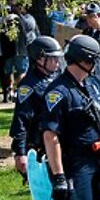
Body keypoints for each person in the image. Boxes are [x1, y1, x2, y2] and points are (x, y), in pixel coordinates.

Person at [42, 35, 100, 200]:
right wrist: (59, 175)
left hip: (96, 160)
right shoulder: (58, 92)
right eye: (94, 60)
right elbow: (50, 135)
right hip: (74, 164)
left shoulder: (90, 86)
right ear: (85, 60)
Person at [9, 36, 63, 178]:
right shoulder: (29, 86)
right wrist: (20, 152)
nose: (57, 62)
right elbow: (21, 119)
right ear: (39, 59)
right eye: (53, 58)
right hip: (42, 144)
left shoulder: (58, 76)